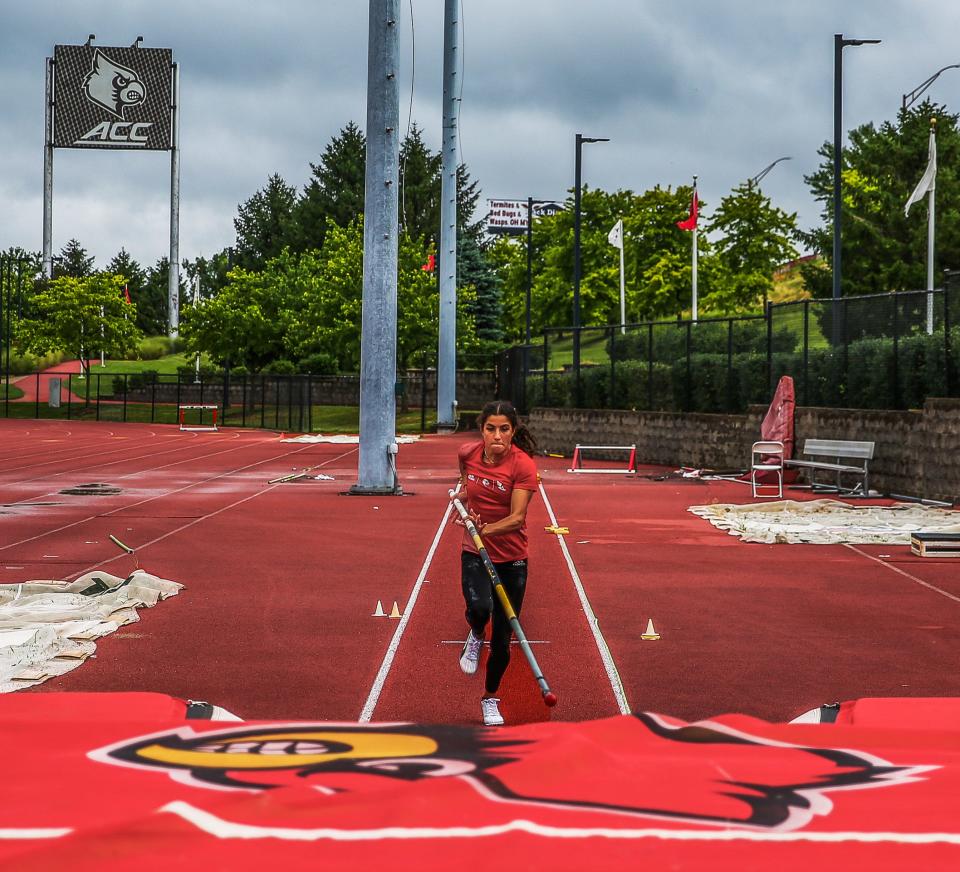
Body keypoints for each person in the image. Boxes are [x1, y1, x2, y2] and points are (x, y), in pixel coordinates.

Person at [454, 400, 538, 726]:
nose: (497, 436)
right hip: (474, 549)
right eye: (491, 428)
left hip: (512, 558)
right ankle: (475, 633)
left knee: (503, 640)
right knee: (478, 607)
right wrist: (465, 499)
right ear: (482, 430)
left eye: (504, 429)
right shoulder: (467, 453)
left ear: (513, 432)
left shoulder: (523, 466)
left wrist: (484, 527)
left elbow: (517, 518)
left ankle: (490, 698)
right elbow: (467, 479)